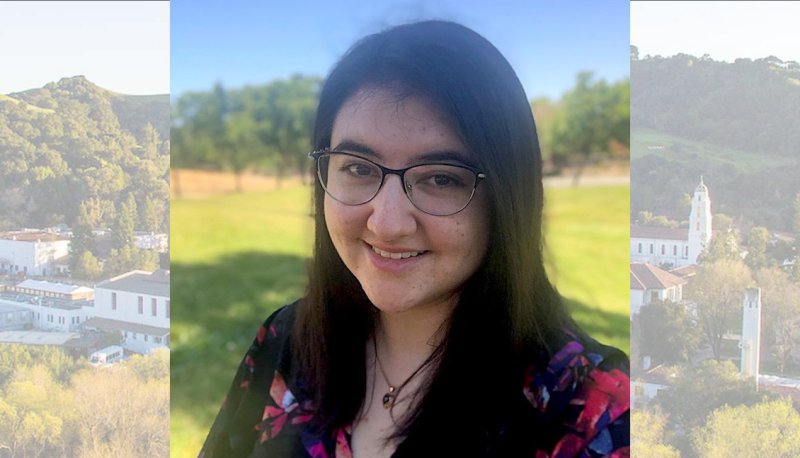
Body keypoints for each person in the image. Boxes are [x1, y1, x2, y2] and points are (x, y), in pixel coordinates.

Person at [201, 20, 629, 458]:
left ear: (507, 196)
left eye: (440, 178)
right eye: (358, 168)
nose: (386, 224)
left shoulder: (597, 413)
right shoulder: (285, 343)